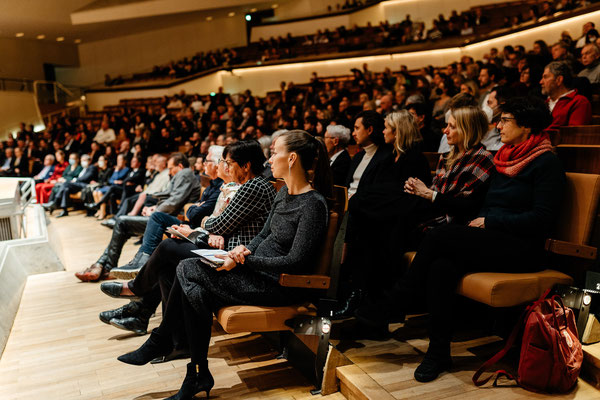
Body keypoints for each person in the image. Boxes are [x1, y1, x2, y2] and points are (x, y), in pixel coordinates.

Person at [356, 97, 565, 382]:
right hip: (492, 237)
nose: (497, 125)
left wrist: (490, 221)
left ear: (526, 127)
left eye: (505, 120)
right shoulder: (506, 157)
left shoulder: (546, 162)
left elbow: (542, 219)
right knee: (442, 265)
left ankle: (396, 300)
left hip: (522, 248)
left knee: (441, 235)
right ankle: (438, 352)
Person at [116, 130, 332, 400]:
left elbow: (295, 261)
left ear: (291, 159)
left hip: (277, 284)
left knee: (186, 269)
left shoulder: (313, 204)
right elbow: (263, 235)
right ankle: (196, 372)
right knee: (195, 287)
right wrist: (244, 249)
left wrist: (245, 258)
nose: (270, 158)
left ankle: (167, 346)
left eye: (275, 152)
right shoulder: (284, 194)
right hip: (254, 271)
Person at [99, 145, 241, 335]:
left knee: (166, 246)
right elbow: (195, 212)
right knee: (165, 256)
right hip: (201, 233)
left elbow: (204, 216)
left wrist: (200, 219)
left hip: (220, 248)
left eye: (209, 160)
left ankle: (137, 290)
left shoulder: (234, 188)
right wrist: (198, 218)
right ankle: (140, 312)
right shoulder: (220, 186)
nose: (203, 164)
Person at [74, 153, 200, 282]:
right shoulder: (182, 174)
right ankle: (103, 265)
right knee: (122, 222)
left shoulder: (185, 173)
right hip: (164, 216)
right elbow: (170, 196)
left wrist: (155, 209)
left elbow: (174, 201)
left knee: (122, 222)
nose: (170, 171)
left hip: (169, 220)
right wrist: (153, 207)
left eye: (171, 168)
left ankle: (103, 266)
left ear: (179, 166)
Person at [540, 61, 592, 129]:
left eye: (545, 77)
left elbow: (573, 135)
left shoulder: (579, 102)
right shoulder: (544, 104)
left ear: (558, 80)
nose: (541, 82)